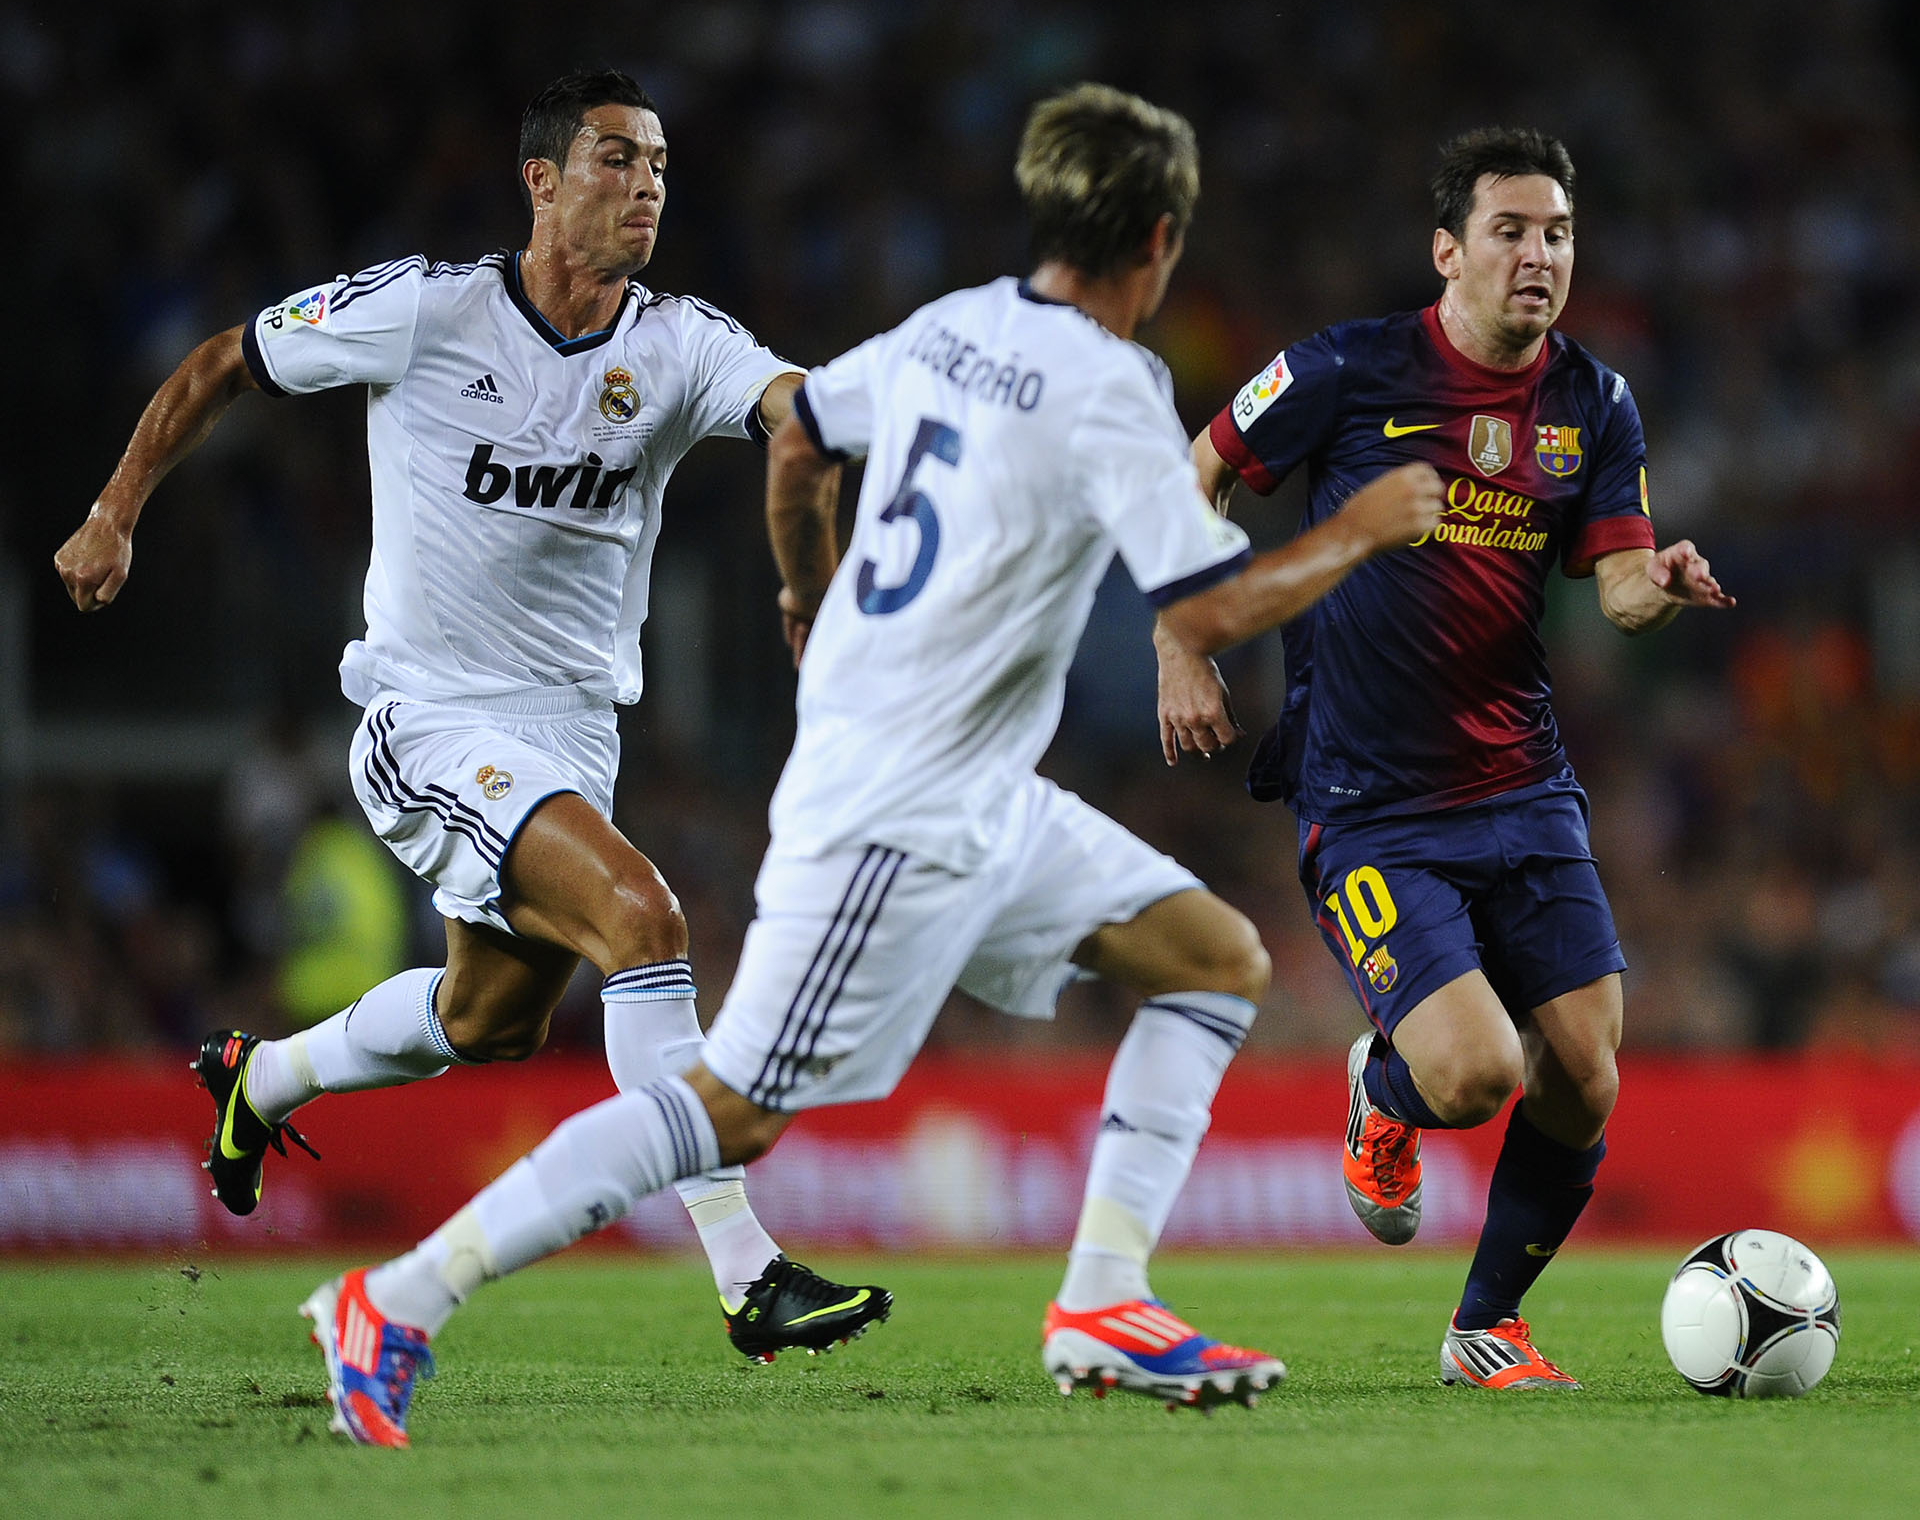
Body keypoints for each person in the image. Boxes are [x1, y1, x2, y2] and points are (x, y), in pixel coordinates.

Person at [295, 82, 1444, 1446]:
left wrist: (805, 588)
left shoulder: (950, 327)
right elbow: (1204, 609)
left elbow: (803, 439)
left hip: (974, 789)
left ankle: (1103, 1298)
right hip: (896, 808)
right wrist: (1363, 524)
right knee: (726, 1111)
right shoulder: (1112, 386)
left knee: (1213, 960)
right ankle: (399, 1297)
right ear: (1160, 239)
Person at [53, 69, 885, 1361]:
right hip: (430, 718)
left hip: (572, 734)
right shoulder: (427, 310)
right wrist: (115, 512)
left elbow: (799, 409)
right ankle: (747, 1268)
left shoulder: (677, 341)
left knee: (485, 1020)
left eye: (661, 166)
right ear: (542, 180)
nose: (648, 186)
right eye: (618, 160)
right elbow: (228, 360)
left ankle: (257, 1079)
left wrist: (894, 417)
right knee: (647, 920)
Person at [1156, 126, 1734, 1389]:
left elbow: (1620, 588)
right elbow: (1193, 473)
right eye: (1512, 231)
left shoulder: (1595, 401)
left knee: (1585, 1067)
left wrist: (1664, 580)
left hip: (1523, 783)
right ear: (1449, 250)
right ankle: (1386, 1084)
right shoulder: (1347, 370)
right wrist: (1181, 635)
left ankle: (1488, 1324)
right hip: (1370, 802)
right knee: (1473, 1072)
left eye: (1559, 233)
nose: (1540, 256)